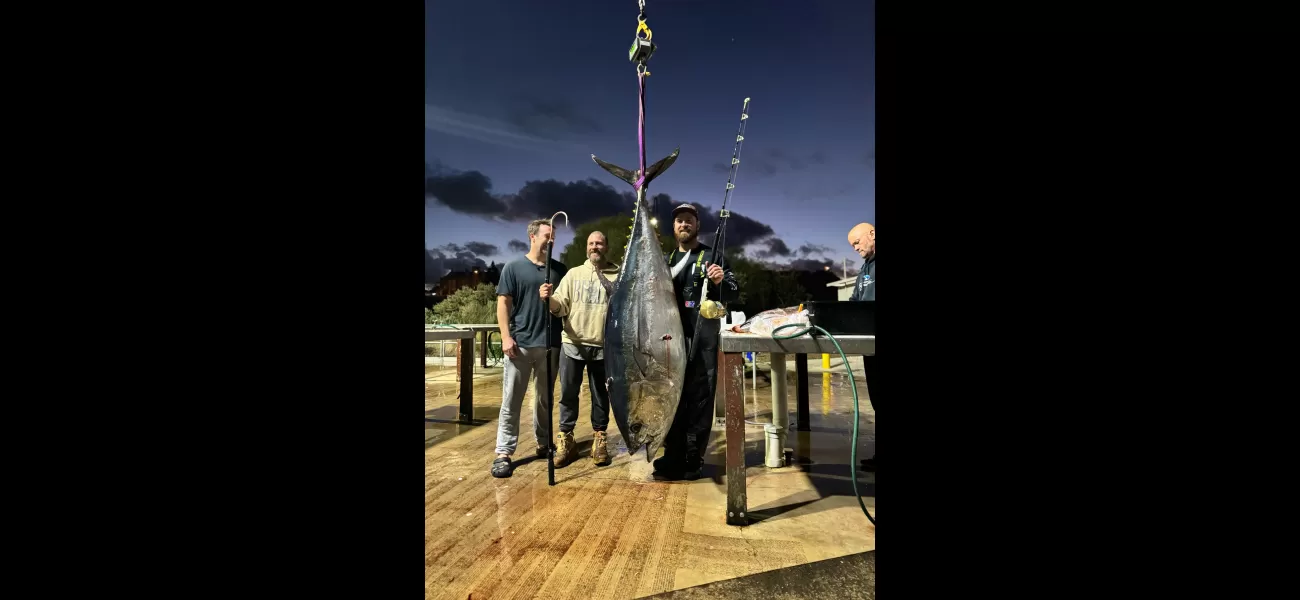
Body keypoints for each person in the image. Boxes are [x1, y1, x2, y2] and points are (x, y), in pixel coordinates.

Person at [655, 203, 740, 480]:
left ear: (697, 225)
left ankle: (694, 456)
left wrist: (719, 281)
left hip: (702, 340)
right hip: (670, 342)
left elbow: (732, 292)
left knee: (699, 399)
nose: (684, 225)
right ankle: (673, 453)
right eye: (679, 221)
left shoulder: (711, 256)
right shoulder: (664, 260)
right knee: (671, 397)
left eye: (689, 220)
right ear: (674, 227)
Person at [491, 219, 568, 478]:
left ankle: (544, 443)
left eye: (554, 236)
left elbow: (565, 306)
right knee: (511, 400)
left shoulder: (559, 270)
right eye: (547, 235)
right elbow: (503, 304)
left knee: (545, 400)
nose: (551, 240)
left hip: (551, 345)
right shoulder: (513, 267)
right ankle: (503, 453)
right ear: (533, 237)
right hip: (520, 345)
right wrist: (505, 337)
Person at [539, 231, 620, 467]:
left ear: (606, 247)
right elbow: (560, 305)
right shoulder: (574, 274)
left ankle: (600, 438)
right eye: (591, 243)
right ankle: (566, 439)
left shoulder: (619, 275)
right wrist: (548, 299)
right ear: (587, 247)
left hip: (604, 347)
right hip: (573, 345)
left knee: (601, 395)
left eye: (599, 243)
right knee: (567, 395)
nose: (595, 246)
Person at [846, 222, 877, 471]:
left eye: (857, 242)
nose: (855, 248)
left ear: (872, 234)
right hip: (870, 347)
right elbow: (854, 302)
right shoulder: (865, 269)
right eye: (852, 245)